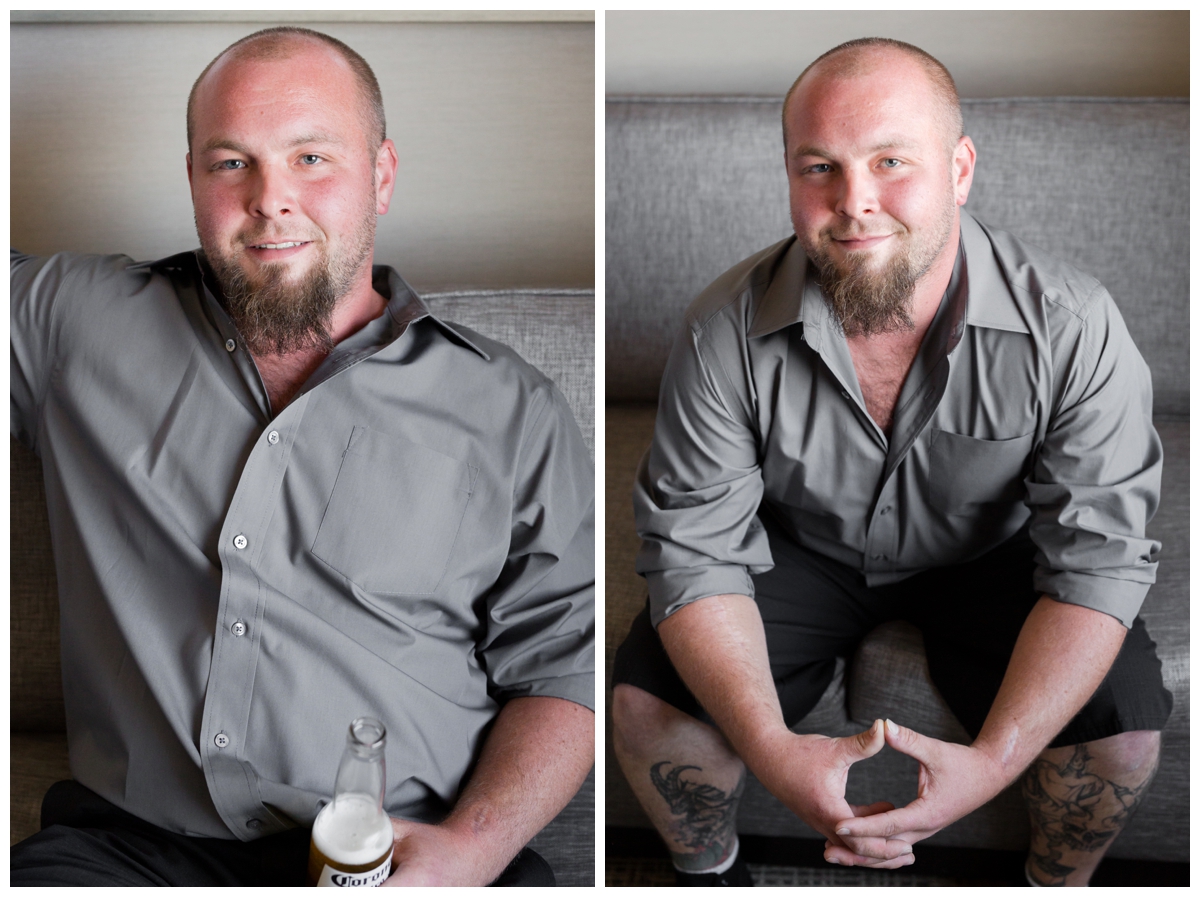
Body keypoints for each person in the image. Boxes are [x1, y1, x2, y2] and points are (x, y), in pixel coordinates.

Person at [10, 27, 594, 887]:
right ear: (193, 180)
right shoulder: (71, 322)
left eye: (312, 157)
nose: (269, 199)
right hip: (129, 850)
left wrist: (472, 847)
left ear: (382, 175)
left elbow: (563, 671)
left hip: (407, 847)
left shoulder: (515, 409)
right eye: (228, 163)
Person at [611, 37, 1169, 887]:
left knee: (1123, 721)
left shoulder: (1074, 324)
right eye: (818, 168)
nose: (854, 202)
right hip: (799, 543)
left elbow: (1100, 562)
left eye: (890, 161)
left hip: (993, 551)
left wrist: (992, 761)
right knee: (646, 696)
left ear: (960, 167)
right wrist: (771, 748)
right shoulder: (721, 328)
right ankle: (712, 874)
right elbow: (693, 551)